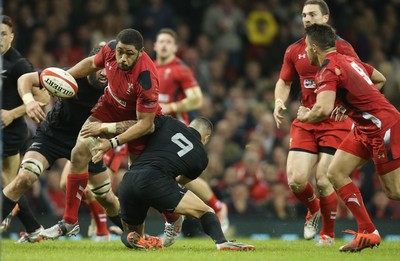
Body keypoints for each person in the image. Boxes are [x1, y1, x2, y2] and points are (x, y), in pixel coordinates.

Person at [36, 28, 162, 239]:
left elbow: (145, 124)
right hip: (108, 109)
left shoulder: (146, 79)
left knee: (137, 185)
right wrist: (65, 77)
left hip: (135, 123)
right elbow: (91, 64)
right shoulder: (111, 49)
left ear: (141, 52)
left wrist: (108, 136)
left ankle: (165, 223)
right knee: (79, 153)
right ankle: (69, 222)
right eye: (120, 51)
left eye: (129, 53)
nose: (122, 57)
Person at [1, 46, 121, 242]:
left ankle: (135, 233)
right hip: (53, 135)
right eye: (101, 67)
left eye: (110, 68)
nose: (105, 73)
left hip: (87, 141)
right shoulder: (70, 74)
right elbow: (25, 80)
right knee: (25, 177)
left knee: (106, 197)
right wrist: (29, 101)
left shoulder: (115, 87)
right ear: (92, 64)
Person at [297, 23, 393, 252]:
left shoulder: (327, 69)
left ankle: (368, 232)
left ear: (313, 48)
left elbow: (321, 109)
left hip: (383, 127)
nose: (306, 51)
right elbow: (380, 79)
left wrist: (305, 116)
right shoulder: (347, 59)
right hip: (363, 129)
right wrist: (349, 105)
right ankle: (369, 232)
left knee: (394, 192)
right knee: (335, 172)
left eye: (306, 47)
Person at [273, 0, 360, 246]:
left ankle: (328, 235)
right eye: (303, 15)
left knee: (323, 179)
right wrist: (279, 101)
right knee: (296, 180)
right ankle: (313, 211)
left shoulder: (342, 48)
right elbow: (285, 81)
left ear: (325, 18)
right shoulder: (294, 50)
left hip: (335, 120)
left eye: (312, 14)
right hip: (307, 119)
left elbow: (364, 76)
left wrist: (348, 105)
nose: (307, 19)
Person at [113, 115, 255, 251]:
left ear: (189, 125)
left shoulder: (169, 122)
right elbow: (180, 181)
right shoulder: (201, 157)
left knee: (133, 233)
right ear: (206, 137)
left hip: (128, 179)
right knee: (206, 211)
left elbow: (144, 127)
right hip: (155, 180)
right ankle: (222, 242)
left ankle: (131, 237)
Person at [153, 28, 229, 245]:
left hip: (178, 131)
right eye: (161, 41)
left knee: (170, 177)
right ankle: (209, 208)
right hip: (157, 130)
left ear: (175, 47)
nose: (165, 45)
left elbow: (196, 99)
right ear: (155, 46)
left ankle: (207, 209)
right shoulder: (150, 68)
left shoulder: (180, 69)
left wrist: (170, 106)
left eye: (169, 42)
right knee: (167, 178)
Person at [0, 15, 49, 242]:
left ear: (11, 36)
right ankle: (33, 229)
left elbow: (43, 96)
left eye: (3, 34)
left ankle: (17, 217)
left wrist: (12, 113)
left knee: (10, 184)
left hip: (9, 132)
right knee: (10, 184)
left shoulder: (18, 64)